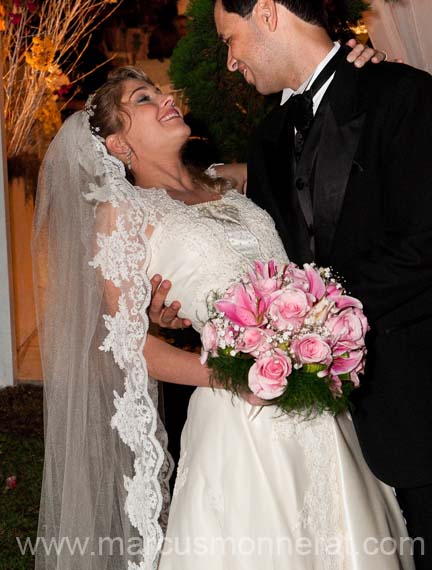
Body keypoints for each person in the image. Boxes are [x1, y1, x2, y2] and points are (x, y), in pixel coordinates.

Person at [33, 66, 415, 569]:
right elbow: (132, 347)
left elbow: (332, 156)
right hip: (240, 417)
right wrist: (236, 378)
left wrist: (362, 65)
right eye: (144, 99)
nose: (167, 99)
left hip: (320, 397)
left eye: (161, 91)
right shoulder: (122, 215)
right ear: (119, 144)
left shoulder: (231, 183)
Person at [207, 0, 432, 569]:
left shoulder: (402, 96)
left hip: (415, 399)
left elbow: (424, 244)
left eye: (232, 39)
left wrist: (321, 305)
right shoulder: (268, 134)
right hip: (325, 417)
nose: (230, 63)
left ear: (270, 14)